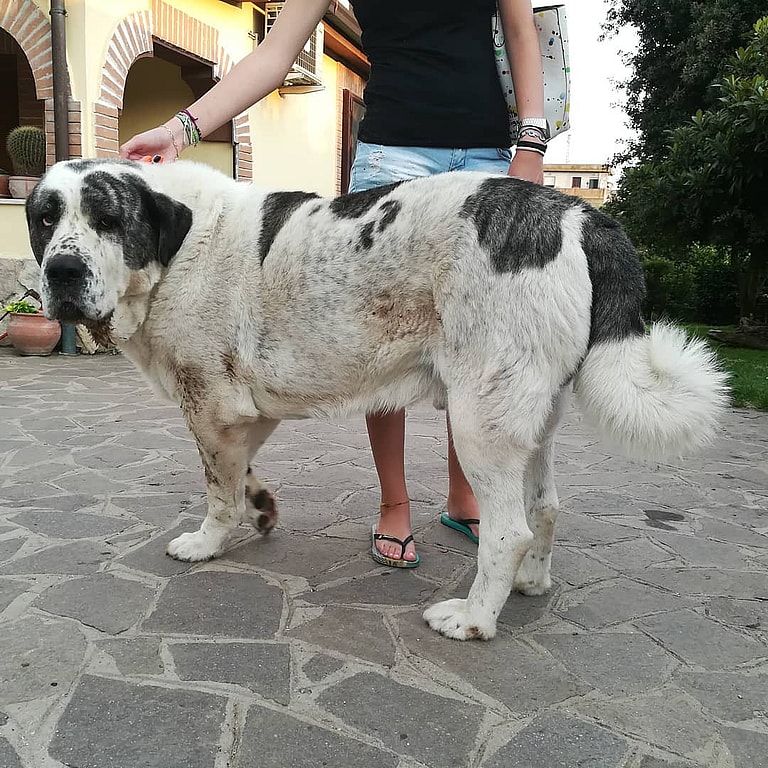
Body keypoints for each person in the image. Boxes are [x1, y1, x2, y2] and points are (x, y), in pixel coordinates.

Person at [120, 0, 547, 568]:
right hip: (393, 159)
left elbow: (520, 28)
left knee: (478, 342)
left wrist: (532, 144)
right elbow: (275, 53)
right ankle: (394, 504)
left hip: (490, 154)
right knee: (379, 335)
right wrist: (182, 129)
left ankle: (464, 496)